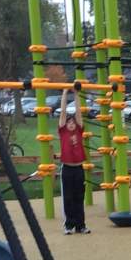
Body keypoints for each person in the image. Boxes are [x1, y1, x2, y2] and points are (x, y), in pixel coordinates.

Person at [57, 88, 89, 235]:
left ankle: (80, 225)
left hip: (78, 168)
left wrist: (76, 94)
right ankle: (69, 225)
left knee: (79, 198)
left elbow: (78, 112)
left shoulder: (79, 131)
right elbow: (63, 112)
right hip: (67, 169)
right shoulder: (63, 131)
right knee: (68, 198)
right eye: (68, 122)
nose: (70, 124)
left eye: (72, 122)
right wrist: (64, 93)